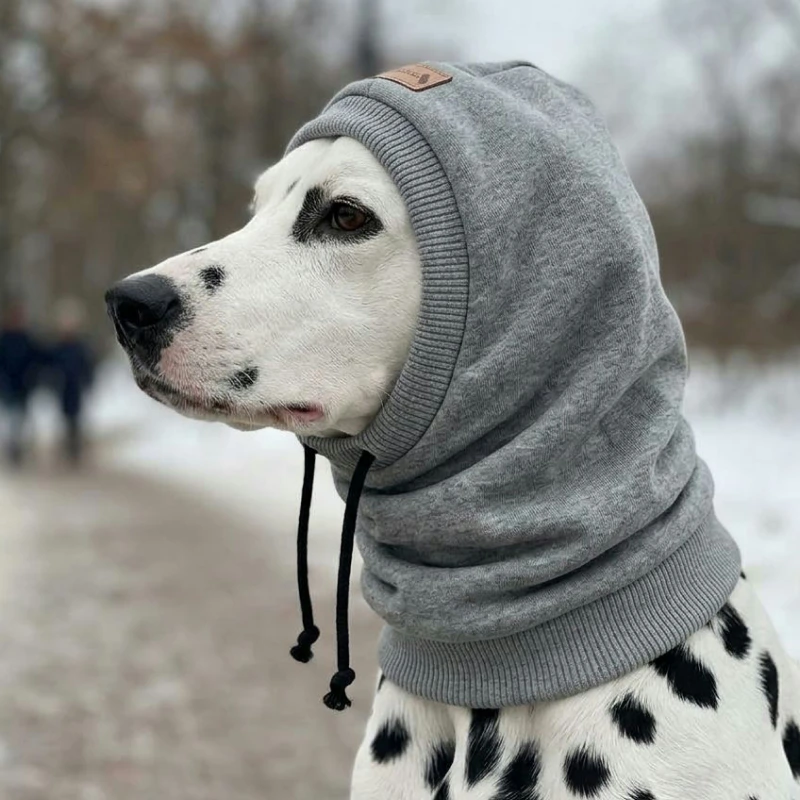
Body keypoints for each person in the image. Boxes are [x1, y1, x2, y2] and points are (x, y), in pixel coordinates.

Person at [47, 298, 95, 465]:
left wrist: (87, 381)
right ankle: (68, 447)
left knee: (75, 419)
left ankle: (74, 449)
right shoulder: (58, 348)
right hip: (63, 388)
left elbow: (86, 366)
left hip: (75, 388)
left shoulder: (80, 347)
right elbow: (51, 366)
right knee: (65, 419)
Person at [0, 303, 41, 466]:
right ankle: (14, 448)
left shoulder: (26, 339)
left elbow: (36, 358)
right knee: (13, 418)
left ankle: (18, 447)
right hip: (9, 386)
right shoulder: (4, 339)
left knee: (21, 418)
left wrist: (33, 376)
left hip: (24, 386)